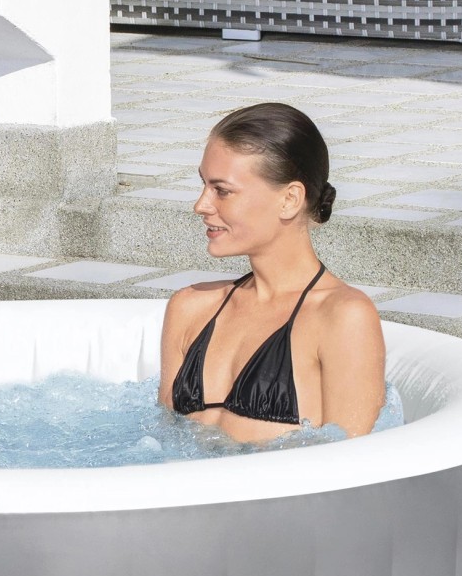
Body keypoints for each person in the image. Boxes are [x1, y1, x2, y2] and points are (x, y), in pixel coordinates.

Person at [158, 102, 386, 442]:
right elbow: (160, 442)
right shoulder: (190, 307)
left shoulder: (342, 317)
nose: (201, 205)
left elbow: (352, 462)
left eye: (222, 190)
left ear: (289, 199)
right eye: (204, 185)